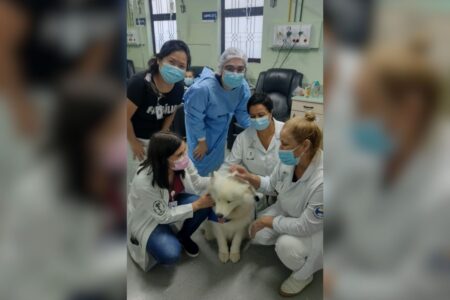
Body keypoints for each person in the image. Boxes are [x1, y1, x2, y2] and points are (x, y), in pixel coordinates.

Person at [231, 113, 323, 297]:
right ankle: (286, 237)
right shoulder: (289, 160)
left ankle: (305, 274)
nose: (280, 149)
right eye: (280, 142)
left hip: (318, 229)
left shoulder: (322, 181)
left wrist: (268, 222)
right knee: (258, 236)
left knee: (285, 246)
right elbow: (271, 185)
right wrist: (249, 177)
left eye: (285, 144)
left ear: (305, 146)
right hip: (288, 211)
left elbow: (306, 225)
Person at [127, 131, 215, 271]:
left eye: (184, 151)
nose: (185, 157)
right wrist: (196, 205)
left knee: (204, 205)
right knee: (171, 254)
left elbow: (197, 182)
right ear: (162, 158)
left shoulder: (180, 163)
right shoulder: (144, 181)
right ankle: (163, 237)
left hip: (171, 203)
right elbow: (163, 216)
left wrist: (220, 180)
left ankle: (183, 237)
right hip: (149, 218)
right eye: (179, 154)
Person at [127, 40, 191, 183]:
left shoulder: (179, 87)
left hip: (156, 139)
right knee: (135, 179)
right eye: (171, 62)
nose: (176, 68)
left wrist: (162, 133)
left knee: (155, 176)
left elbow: (171, 111)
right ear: (159, 60)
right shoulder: (139, 84)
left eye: (181, 66)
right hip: (133, 136)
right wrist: (133, 142)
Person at [183, 47, 251, 176]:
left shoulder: (242, 87)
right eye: (230, 68)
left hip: (220, 132)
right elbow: (194, 117)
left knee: (217, 166)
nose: (235, 73)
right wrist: (202, 141)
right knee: (198, 167)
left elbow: (242, 113)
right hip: (200, 132)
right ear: (221, 69)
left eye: (240, 69)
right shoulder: (203, 88)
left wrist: (257, 127)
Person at [220, 93, 284, 211]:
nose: (257, 120)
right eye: (252, 116)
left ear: (271, 113)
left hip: (283, 189)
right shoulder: (243, 138)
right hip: (255, 189)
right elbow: (229, 166)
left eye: (261, 115)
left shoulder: (286, 133)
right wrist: (218, 185)